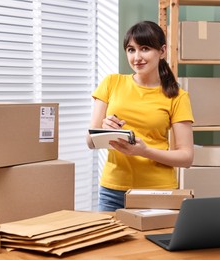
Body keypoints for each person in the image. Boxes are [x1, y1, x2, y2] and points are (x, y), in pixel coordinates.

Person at [86, 20, 194, 211]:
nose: (137, 57)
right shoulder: (111, 83)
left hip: (157, 192)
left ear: (162, 51)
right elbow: (90, 141)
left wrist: (144, 151)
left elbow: (186, 158)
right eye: (131, 49)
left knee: (151, 242)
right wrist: (104, 129)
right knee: (110, 241)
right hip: (113, 190)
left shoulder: (177, 96)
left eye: (144, 48)